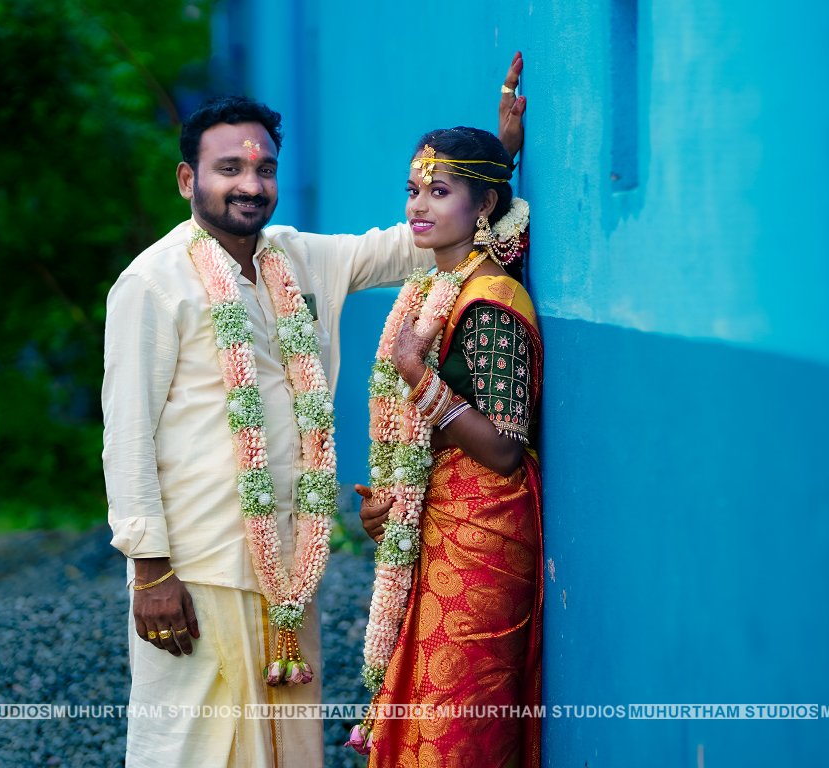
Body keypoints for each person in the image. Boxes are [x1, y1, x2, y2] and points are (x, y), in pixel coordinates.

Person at [101, 55, 528, 768]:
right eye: (228, 169)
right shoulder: (153, 283)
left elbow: (422, 237)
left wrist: (492, 165)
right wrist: (149, 570)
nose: (250, 184)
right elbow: (127, 434)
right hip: (200, 562)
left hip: (289, 564)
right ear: (186, 180)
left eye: (263, 169)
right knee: (194, 747)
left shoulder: (298, 259)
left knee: (286, 746)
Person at [355, 126, 544, 768]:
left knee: (456, 718)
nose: (418, 205)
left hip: (484, 534)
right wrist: (392, 505)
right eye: (413, 190)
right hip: (438, 519)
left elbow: (504, 451)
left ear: (484, 204)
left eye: (439, 191)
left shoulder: (492, 302)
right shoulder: (435, 286)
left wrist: (417, 375)